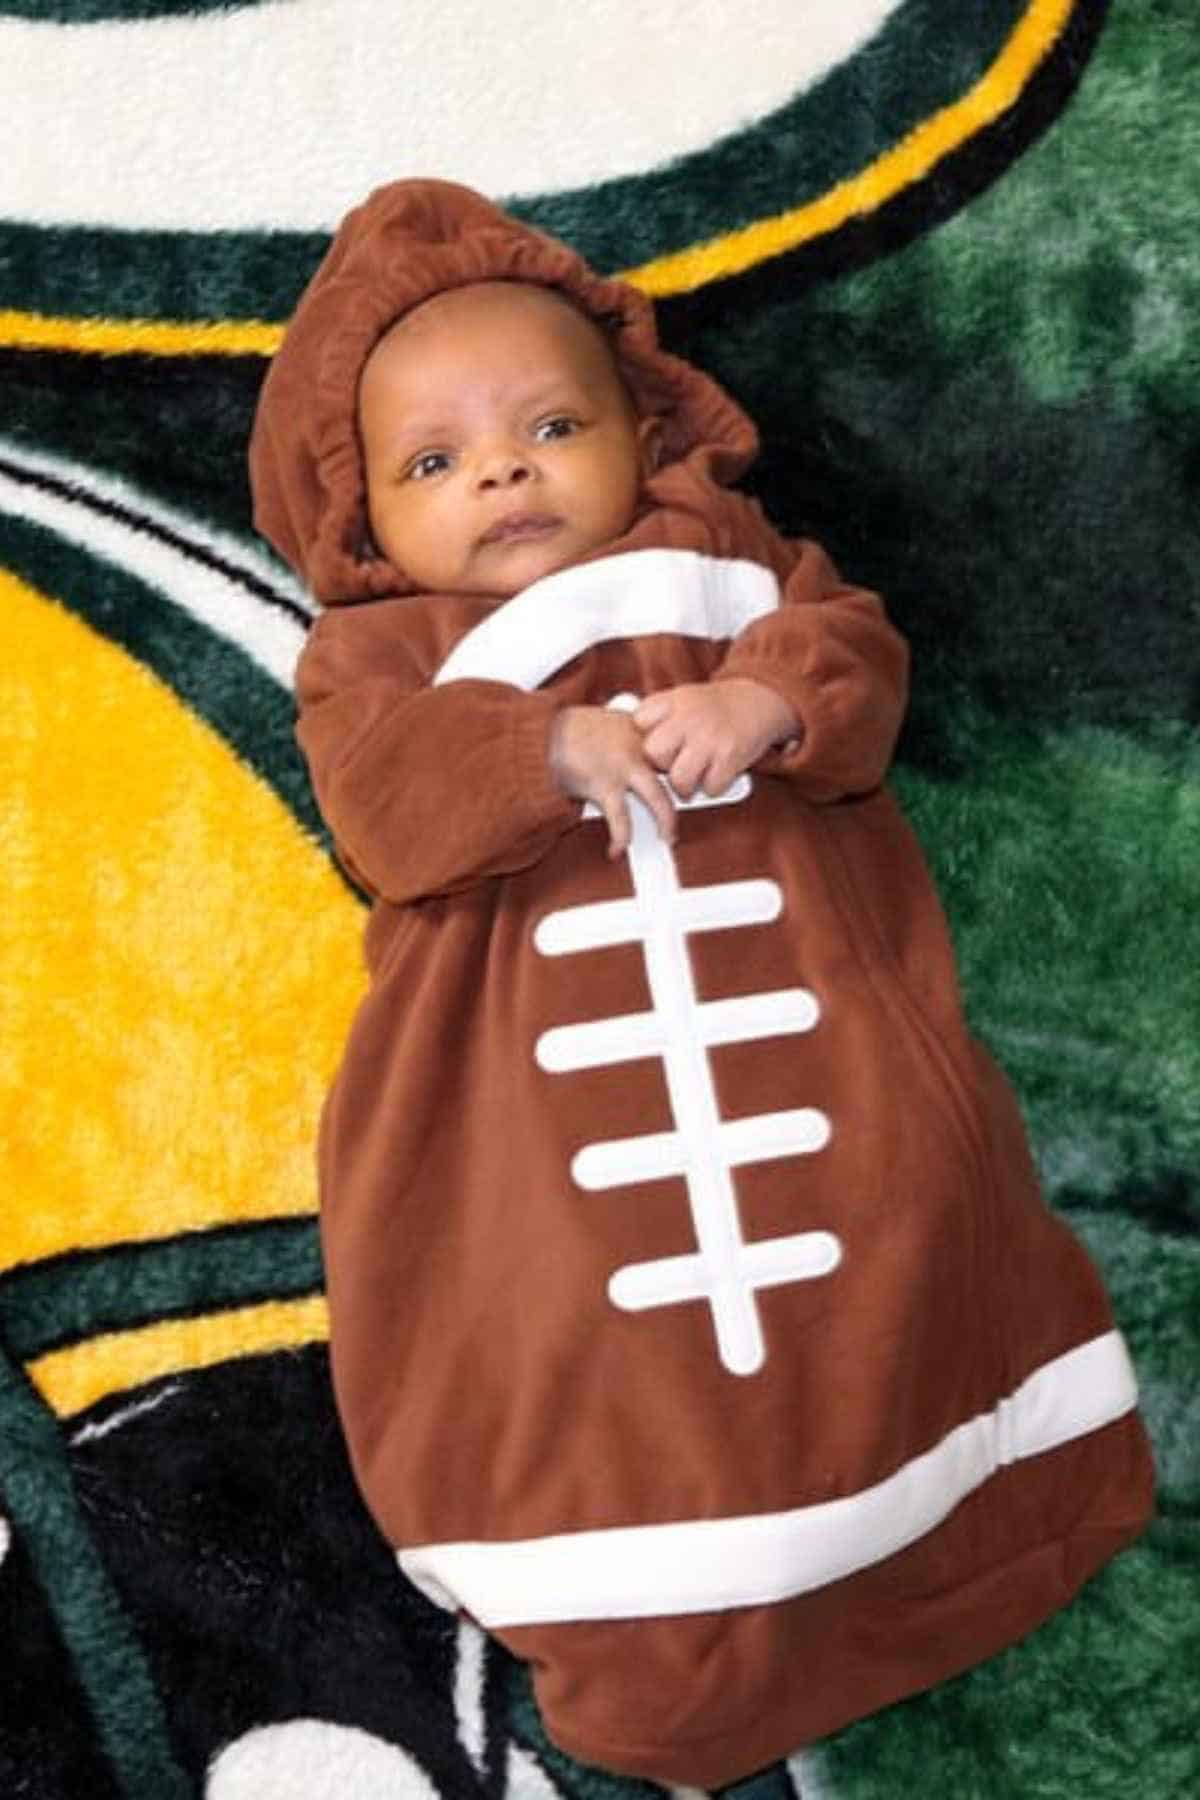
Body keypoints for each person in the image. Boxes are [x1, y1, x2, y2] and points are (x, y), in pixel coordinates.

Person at [248, 180, 1153, 1789]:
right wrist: (536, 750)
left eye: (550, 426)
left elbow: (857, 654)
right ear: (361, 517)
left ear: (643, 429)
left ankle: (978, 1522)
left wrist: (772, 702)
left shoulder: (729, 559)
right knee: (575, 1351)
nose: (503, 473)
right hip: (538, 1109)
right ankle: (656, 1657)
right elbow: (382, 806)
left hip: (822, 1055)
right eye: (434, 463)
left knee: (901, 1248)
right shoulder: (377, 655)